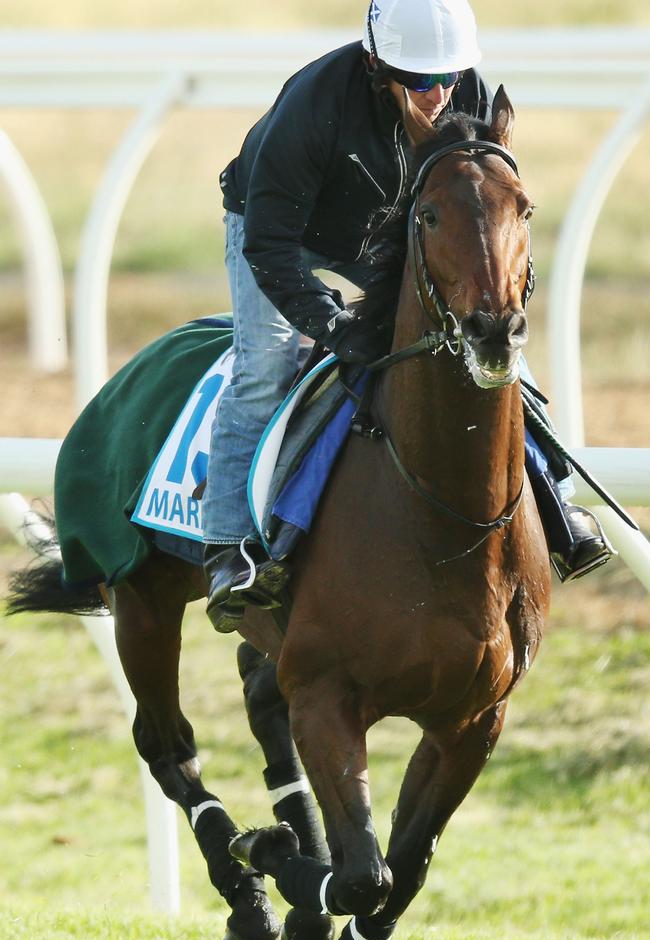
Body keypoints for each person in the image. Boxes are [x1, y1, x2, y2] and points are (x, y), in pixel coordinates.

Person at [202, 0, 611, 632]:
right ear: (377, 65)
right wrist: (331, 323)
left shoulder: (462, 88)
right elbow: (268, 244)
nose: (439, 94)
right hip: (280, 228)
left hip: (394, 228)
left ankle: (558, 504)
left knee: (492, 353)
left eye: (448, 78)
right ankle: (230, 550)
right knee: (266, 365)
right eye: (420, 81)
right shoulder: (316, 103)